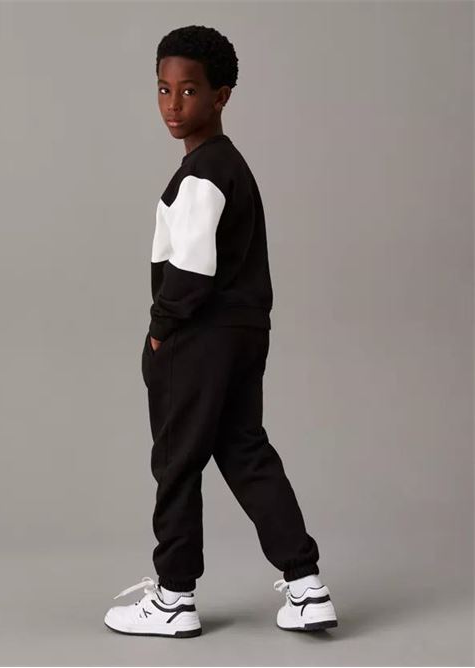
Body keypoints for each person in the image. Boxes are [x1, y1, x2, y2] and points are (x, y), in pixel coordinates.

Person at [104, 24, 337, 638]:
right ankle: (307, 586)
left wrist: (160, 330)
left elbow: (191, 268)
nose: (173, 105)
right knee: (245, 450)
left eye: (189, 90)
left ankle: (174, 597)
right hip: (244, 333)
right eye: (163, 89)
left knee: (177, 461)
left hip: (198, 336)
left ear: (221, 95)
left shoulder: (203, 172)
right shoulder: (232, 167)